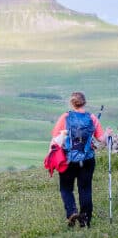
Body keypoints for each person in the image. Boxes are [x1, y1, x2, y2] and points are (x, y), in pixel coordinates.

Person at [51, 92, 111, 228]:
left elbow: (55, 138)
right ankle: (85, 220)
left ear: (72, 103)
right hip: (87, 160)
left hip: (69, 160)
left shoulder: (65, 117)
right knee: (85, 189)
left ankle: (72, 212)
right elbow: (102, 140)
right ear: (85, 102)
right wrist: (107, 133)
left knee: (66, 188)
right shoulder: (92, 118)